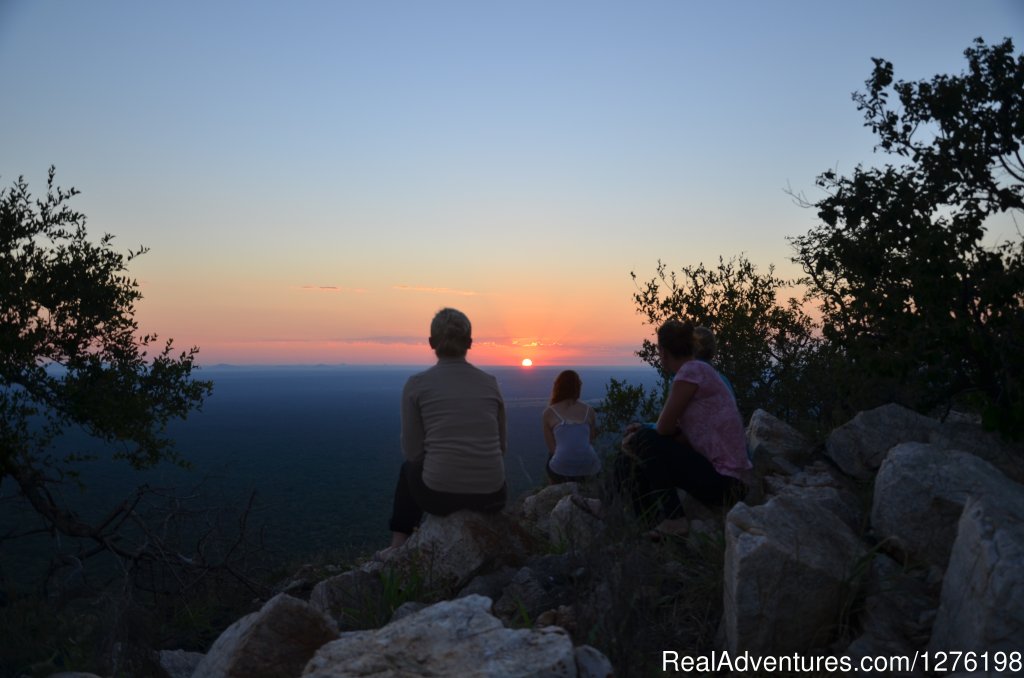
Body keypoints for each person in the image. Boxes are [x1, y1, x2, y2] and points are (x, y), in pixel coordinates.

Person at [383, 308, 508, 554]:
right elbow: (501, 447)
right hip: (493, 496)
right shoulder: (490, 382)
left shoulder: (416, 385)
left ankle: (398, 544)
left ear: (431, 343)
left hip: (440, 496)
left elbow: (412, 452)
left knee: (407, 470)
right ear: (470, 343)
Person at [618, 319, 751, 538]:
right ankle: (647, 524)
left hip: (728, 484)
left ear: (662, 351)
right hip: (722, 478)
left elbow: (662, 429)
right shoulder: (701, 371)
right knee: (630, 457)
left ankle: (675, 520)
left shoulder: (690, 371)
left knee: (644, 440)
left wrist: (638, 436)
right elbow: (680, 435)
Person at [542, 370, 601, 483]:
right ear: (578, 387)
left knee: (551, 456)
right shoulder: (589, 410)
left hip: (560, 471)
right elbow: (590, 440)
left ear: (557, 387)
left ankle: (558, 491)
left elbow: (552, 448)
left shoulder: (548, 412)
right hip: (590, 468)